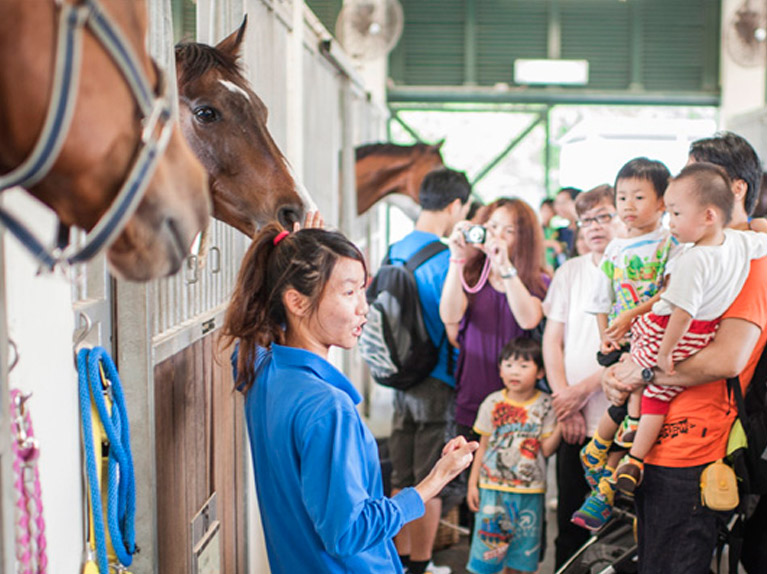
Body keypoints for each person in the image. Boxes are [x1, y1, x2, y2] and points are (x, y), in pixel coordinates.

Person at [222, 222, 479, 574]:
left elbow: (249, 341)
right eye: (348, 293)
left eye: (363, 290)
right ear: (295, 301)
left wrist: (296, 260)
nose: (365, 308)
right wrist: (434, 481)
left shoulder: (261, 373)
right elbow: (349, 533)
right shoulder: (328, 408)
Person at [602, 133, 767, 574]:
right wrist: (622, 372)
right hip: (658, 445)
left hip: (697, 453)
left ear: (735, 190)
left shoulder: (751, 261)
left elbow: (727, 358)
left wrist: (645, 374)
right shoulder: (698, 252)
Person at [613, 163, 767, 494]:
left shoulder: (694, 258)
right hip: (697, 343)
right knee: (650, 387)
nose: (670, 223)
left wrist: (653, 362)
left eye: (676, 213)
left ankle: (629, 441)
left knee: (648, 383)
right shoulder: (739, 245)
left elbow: (681, 313)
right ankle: (633, 439)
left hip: (693, 441)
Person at [573, 157, 682, 531]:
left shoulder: (672, 243)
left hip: (654, 338)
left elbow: (670, 294)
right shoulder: (616, 249)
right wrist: (608, 332)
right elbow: (601, 300)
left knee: (639, 405)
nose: (629, 206)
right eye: (622, 198)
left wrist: (631, 316)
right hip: (625, 340)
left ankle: (604, 479)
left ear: (664, 203)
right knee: (622, 399)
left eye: (639, 197)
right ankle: (602, 460)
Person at [387, 168, 472, 574]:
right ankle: (422, 566)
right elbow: (456, 331)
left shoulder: (394, 250)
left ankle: (399, 562)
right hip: (437, 380)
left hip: (398, 379)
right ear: (455, 205)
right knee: (431, 480)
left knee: (401, 477)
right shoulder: (444, 261)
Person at [541, 184, 623, 567]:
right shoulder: (569, 272)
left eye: (603, 216)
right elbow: (552, 342)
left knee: (617, 525)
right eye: (585, 220)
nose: (593, 227)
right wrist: (566, 404)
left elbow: (633, 348)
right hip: (573, 422)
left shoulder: (635, 271)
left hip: (618, 420)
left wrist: (582, 393)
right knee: (570, 521)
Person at [440, 197, 550, 444]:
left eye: (509, 230)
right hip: (472, 394)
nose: (497, 235)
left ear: (525, 239)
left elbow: (528, 320)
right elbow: (449, 315)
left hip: (519, 401)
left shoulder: (539, 282)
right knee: (467, 473)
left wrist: (504, 266)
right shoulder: (471, 275)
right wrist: (457, 257)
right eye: (492, 226)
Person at [466, 337, 561, 574]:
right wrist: (472, 484)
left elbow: (547, 449)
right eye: (508, 365)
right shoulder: (492, 402)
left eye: (523, 365)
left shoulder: (546, 405)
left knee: (522, 558)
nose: (514, 371)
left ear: (540, 372)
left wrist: (565, 419)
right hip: (492, 489)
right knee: (485, 556)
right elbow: (483, 445)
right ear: (499, 369)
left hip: (530, 492)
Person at [553, 187, 581, 256]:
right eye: (556, 203)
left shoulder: (584, 229)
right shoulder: (560, 232)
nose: (558, 207)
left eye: (563, 202)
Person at [540, 198, 566, 270]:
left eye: (550, 211)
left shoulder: (557, 229)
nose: (547, 214)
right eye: (544, 210)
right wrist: (553, 244)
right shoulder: (539, 229)